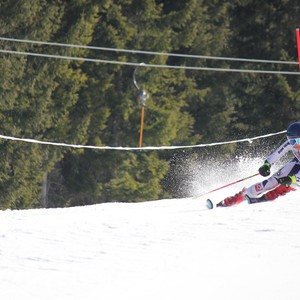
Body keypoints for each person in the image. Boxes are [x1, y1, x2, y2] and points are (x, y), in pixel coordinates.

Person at [216, 122, 300, 207]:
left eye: (297, 141)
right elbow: (277, 154)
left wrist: (292, 179)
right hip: (297, 162)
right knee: (272, 181)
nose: (295, 145)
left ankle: (266, 199)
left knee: (289, 183)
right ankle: (235, 199)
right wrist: (267, 165)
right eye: (292, 141)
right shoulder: (291, 144)